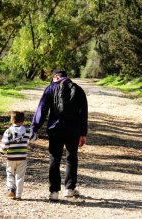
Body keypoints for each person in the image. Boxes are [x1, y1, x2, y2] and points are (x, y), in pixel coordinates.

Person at [31, 69, 88, 201]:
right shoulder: (79, 90)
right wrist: (83, 133)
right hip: (73, 130)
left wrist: (34, 128)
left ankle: (54, 192)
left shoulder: (50, 89)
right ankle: (69, 189)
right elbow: (83, 114)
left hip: (55, 129)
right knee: (71, 158)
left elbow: (42, 110)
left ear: (56, 77)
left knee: (54, 159)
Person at [0, 111, 33, 200]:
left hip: (11, 158)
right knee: (20, 176)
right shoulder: (27, 131)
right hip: (22, 158)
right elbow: (34, 138)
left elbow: (5, 145)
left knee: (10, 174)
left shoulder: (9, 131)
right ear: (23, 121)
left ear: (12, 120)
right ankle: (18, 194)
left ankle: (11, 189)